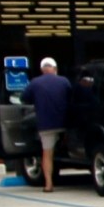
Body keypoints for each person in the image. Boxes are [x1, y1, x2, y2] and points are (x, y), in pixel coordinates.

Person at [22, 57, 72, 192]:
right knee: (72, 148)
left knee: (47, 154)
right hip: (65, 123)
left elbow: (24, 98)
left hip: (46, 124)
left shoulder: (35, 83)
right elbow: (72, 97)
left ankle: (49, 184)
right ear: (55, 69)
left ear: (42, 70)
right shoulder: (64, 81)